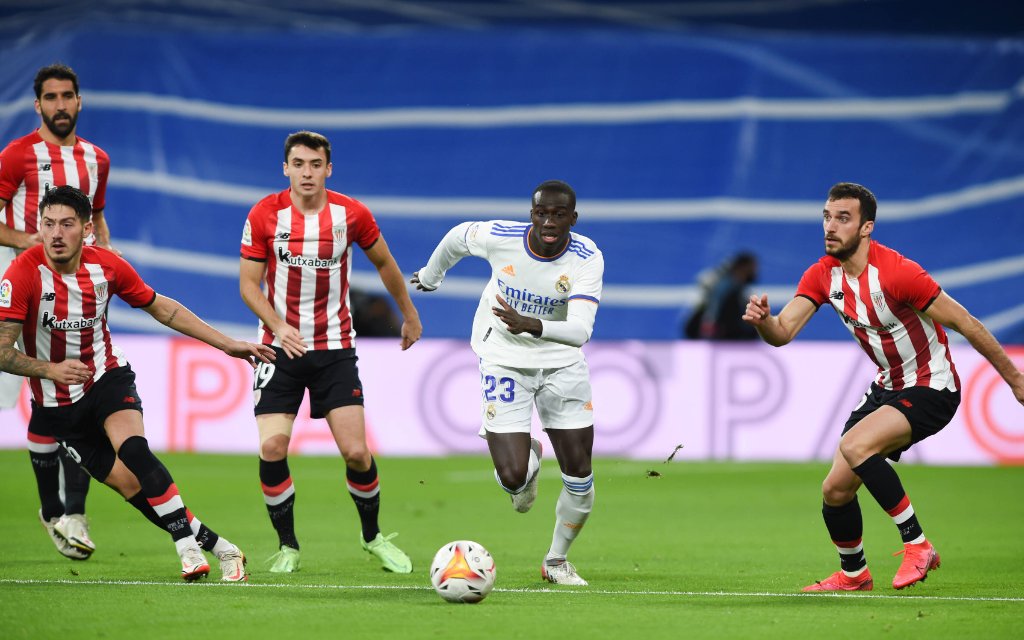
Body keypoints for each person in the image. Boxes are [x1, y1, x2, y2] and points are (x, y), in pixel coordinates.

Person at [742, 182, 1024, 592]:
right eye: (826, 216)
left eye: (843, 218)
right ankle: (854, 575)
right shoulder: (823, 274)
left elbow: (965, 322)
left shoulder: (898, 273)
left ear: (866, 227)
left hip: (932, 386)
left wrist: (1015, 379)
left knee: (857, 446)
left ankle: (918, 544)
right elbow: (783, 332)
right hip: (887, 387)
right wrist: (764, 321)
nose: (830, 227)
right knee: (835, 489)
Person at [0, 185, 273, 581]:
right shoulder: (22, 273)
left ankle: (186, 549)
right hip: (58, 406)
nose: (55, 233)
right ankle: (222, 548)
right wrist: (49, 370)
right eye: (48, 224)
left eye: (66, 224)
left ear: (86, 228)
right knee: (132, 489)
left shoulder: (107, 266)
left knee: (135, 451)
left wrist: (226, 343)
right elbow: (2, 350)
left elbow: (164, 309)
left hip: (106, 377)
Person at [239, 130, 422, 574]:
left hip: (335, 348)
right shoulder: (265, 214)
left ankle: (372, 537)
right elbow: (248, 284)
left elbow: (384, 263)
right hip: (278, 349)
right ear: (286, 168)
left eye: (314, 164)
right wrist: (280, 327)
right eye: (298, 164)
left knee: (357, 453)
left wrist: (409, 314)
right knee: (273, 448)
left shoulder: (350, 214)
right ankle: (288, 546)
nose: (306, 172)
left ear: (328, 169)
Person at [412, 179, 603, 586]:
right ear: (531, 214)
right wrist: (431, 277)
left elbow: (581, 329)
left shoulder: (587, 258)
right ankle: (528, 455)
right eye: (541, 213)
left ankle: (556, 561)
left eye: (558, 214)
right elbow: (456, 237)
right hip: (503, 360)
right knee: (514, 478)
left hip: (561, 364)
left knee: (580, 474)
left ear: (573, 218)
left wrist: (531, 324)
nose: (548, 221)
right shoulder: (501, 236)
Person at [0, 63, 118, 561]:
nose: (60, 105)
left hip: (75, 290)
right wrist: (26, 241)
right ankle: (55, 511)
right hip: (19, 284)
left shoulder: (97, 159)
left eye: (68, 96)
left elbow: (98, 221)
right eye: (51, 98)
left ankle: (72, 513)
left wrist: (107, 271)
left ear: (79, 101)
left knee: (76, 392)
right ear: (38, 105)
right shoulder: (16, 155)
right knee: (26, 390)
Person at [683, 252, 759, 340]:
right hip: (712, 331)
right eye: (752, 268)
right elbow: (713, 309)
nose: (755, 272)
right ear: (743, 267)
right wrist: (709, 326)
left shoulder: (736, 287)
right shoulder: (726, 286)